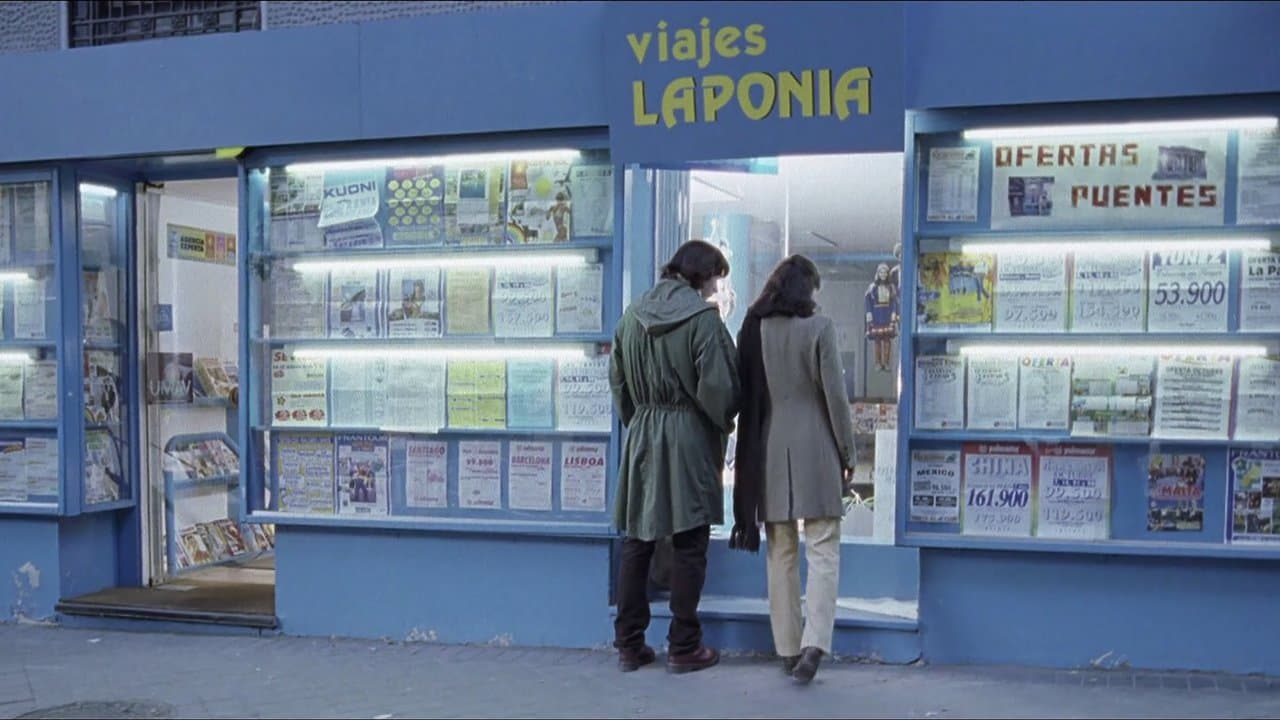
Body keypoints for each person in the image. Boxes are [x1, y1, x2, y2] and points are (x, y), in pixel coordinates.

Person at [609, 240, 740, 675]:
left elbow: (620, 386)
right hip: (689, 436)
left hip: (644, 433)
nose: (714, 290)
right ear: (703, 276)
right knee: (689, 542)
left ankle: (629, 644)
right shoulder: (704, 322)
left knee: (637, 539)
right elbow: (720, 391)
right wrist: (719, 422)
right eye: (715, 280)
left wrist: (642, 420)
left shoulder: (631, 317)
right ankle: (684, 645)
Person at [729, 255, 857, 686]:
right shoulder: (819, 329)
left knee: (780, 551)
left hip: (769, 447)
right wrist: (848, 453)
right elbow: (835, 399)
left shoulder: (755, 329)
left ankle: (786, 647)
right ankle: (814, 643)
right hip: (817, 446)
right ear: (807, 291)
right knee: (822, 547)